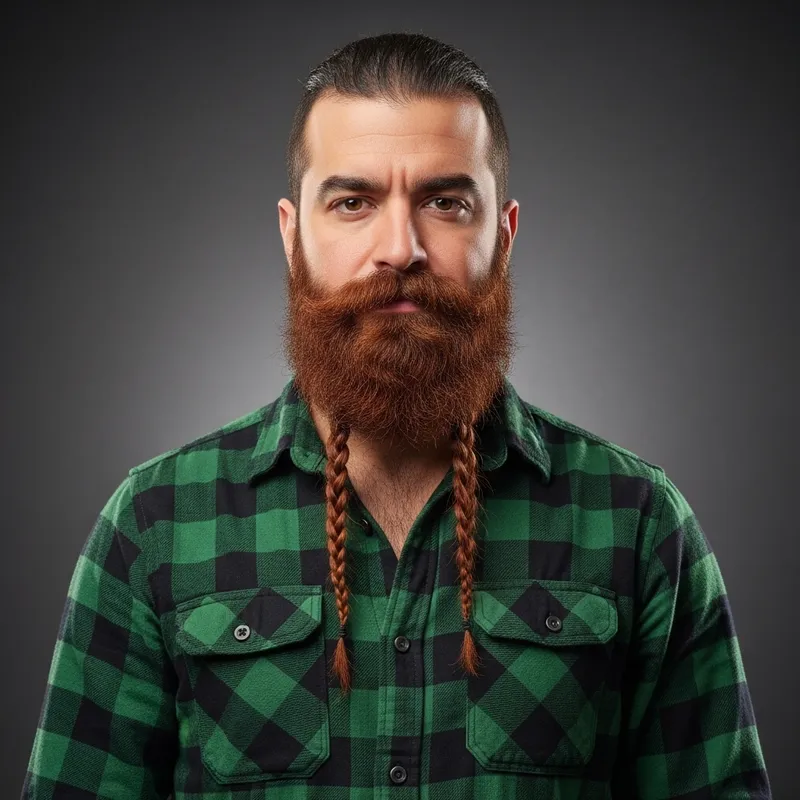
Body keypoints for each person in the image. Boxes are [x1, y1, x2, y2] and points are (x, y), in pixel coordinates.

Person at [22, 31, 771, 799]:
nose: (401, 248)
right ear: (292, 237)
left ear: (503, 237)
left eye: (446, 203)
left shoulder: (640, 524)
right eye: (353, 202)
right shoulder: (152, 526)